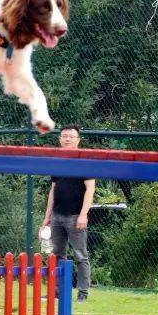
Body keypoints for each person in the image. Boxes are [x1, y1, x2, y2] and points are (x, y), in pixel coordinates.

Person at [42, 125, 95, 301]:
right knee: (56, 254)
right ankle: (57, 292)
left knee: (80, 255)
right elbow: (53, 190)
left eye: (71, 136)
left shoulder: (85, 160)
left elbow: (90, 189)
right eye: (64, 136)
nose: (67, 139)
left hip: (75, 217)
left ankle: (82, 293)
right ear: (59, 139)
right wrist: (47, 217)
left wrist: (83, 214)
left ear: (78, 140)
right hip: (57, 216)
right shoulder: (57, 161)